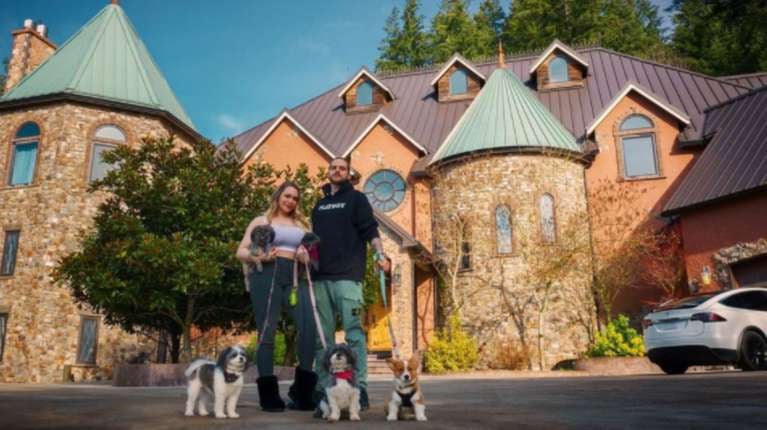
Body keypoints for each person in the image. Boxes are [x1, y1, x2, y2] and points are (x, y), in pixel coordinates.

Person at [310, 157, 390, 414]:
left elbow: (370, 230)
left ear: (348, 174)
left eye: (342, 168)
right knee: (322, 339)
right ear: (328, 172)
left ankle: (360, 388)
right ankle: (324, 389)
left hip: (348, 279)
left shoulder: (357, 199)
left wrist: (380, 255)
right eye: (333, 167)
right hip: (320, 279)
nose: (337, 171)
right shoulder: (320, 205)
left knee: (354, 334)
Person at [237, 181, 317, 412]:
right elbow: (241, 251)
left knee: (309, 329)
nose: (290, 201)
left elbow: (312, 253)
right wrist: (260, 257)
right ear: (278, 196)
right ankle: (269, 396)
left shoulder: (302, 224)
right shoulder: (262, 221)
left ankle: (302, 394)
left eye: (295, 198)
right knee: (267, 333)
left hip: (295, 276)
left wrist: (306, 257)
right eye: (287, 196)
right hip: (267, 275)